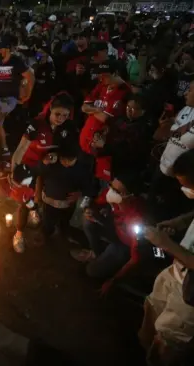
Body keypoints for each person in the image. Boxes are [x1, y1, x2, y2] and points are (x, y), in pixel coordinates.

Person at [140, 149, 194, 365]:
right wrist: (179, 222)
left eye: (190, 187)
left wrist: (165, 244)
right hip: (176, 272)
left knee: (168, 342)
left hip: (189, 297)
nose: (188, 191)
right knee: (152, 308)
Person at [8, 93, 78, 252]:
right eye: (57, 114)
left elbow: (70, 150)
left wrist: (58, 156)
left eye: (65, 115)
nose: (60, 118)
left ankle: (41, 217)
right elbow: (20, 150)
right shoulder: (36, 124)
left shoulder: (68, 127)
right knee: (24, 199)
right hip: (31, 164)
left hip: (51, 166)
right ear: (50, 110)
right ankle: (19, 232)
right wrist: (14, 172)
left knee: (50, 196)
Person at [71, 173, 145, 294]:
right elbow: (95, 202)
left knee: (91, 270)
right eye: (111, 186)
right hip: (114, 230)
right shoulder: (113, 197)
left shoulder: (137, 220)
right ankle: (97, 254)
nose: (111, 192)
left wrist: (113, 280)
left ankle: (107, 263)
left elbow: (135, 259)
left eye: (116, 191)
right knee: (87, 221)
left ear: (130, 197)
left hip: (125, 245)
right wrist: (89, 210)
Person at [149, 80, 194, 221]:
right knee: (151, 210)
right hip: (162, 168)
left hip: (180, 182)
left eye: (191, 90)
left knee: (167, 217)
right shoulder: (187, 109)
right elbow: (172, 132)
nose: (186, 93)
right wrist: (165, 126)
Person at [79, 61, 131, 182]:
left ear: (115, 73)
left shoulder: (124, 92)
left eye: (105, 75)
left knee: (101, 180)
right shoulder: (101, 85)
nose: (101, 78)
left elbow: (105, 118)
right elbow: (84, 107)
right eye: (100, 75)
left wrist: (92, 110)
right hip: (86, 138)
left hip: (102, 145)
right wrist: (97, 109)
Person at [34, 142, 92, 241]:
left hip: (67, 204)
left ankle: (63, 233)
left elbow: (89, 185)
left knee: (65, 221)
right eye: (63, 160)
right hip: (49, 202)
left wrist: (80, 193)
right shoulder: (52, 160)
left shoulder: (82, 167)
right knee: (48, 221)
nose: (66, 163)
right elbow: (39, 173)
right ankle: (46, 233)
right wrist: (43, 163)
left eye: (70, 161)